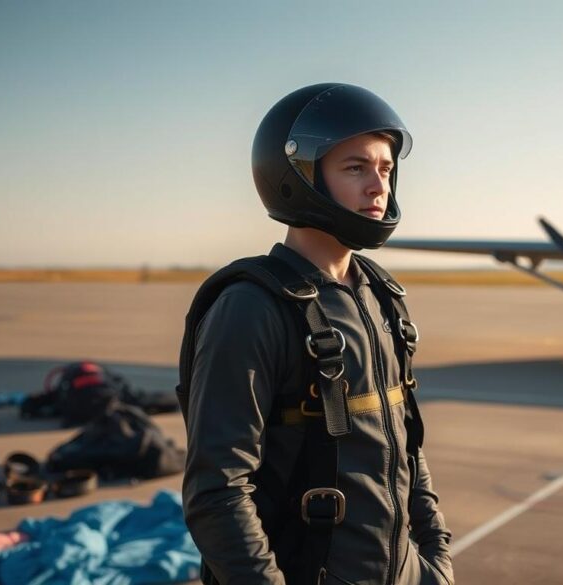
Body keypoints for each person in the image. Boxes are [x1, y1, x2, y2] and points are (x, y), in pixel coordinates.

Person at [178, 83, 454, 585]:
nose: (379, 187)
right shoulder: (251, 308)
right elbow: (217, 492)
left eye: (386, 169)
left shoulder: (383, 297)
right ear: (300, 175)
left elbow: (407, 444)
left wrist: (435, 562)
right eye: (355, 167)